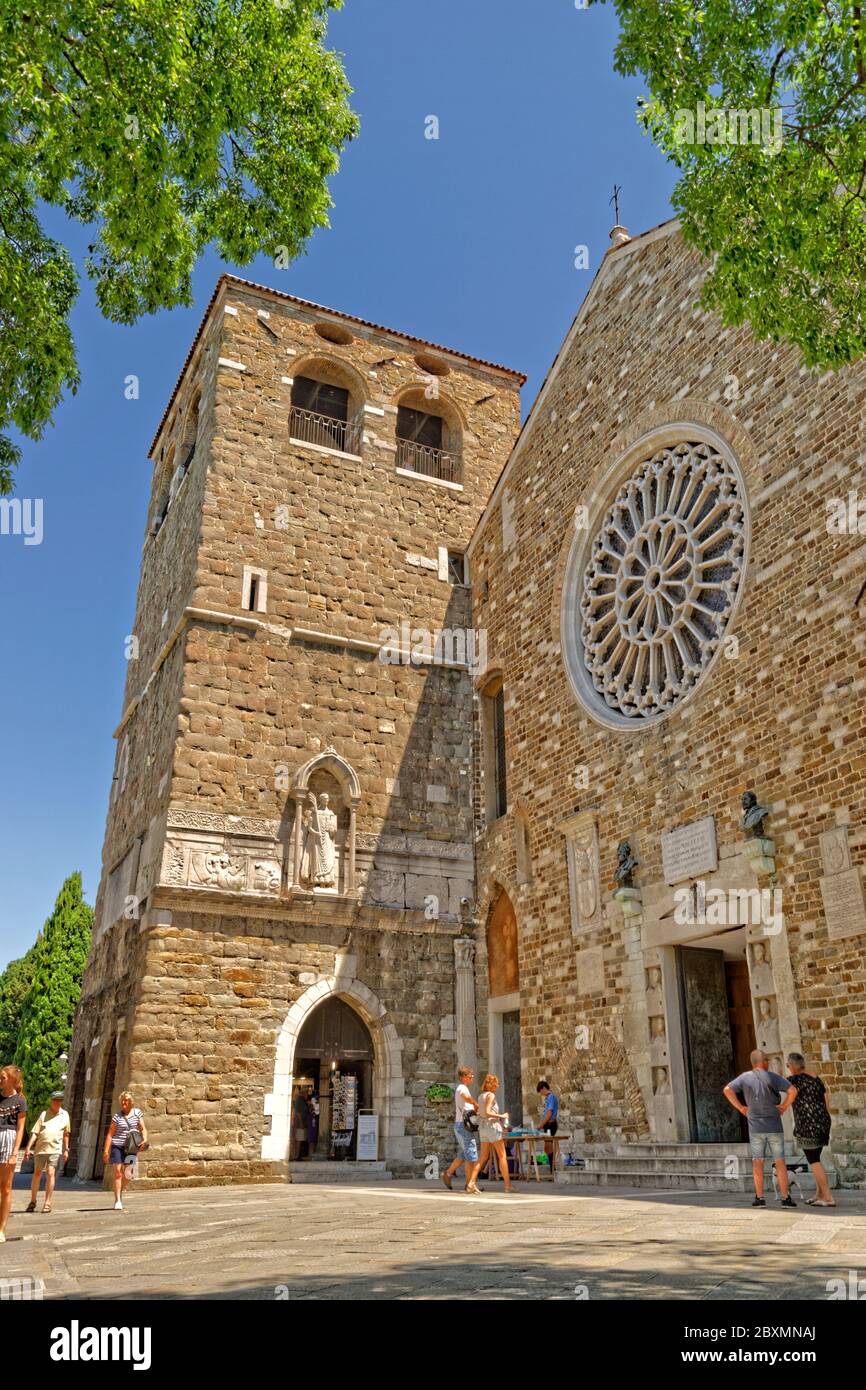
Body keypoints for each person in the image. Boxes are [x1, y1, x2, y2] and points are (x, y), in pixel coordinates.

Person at [723, 1049, 798, 1207]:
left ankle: (760, 1197)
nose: (768, 1063)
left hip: (755, 1127)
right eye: (767, 1060)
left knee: (757, 1162)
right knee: (780, 1162)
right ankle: (785, 1198)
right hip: (774, 1126)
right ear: (763, 1061)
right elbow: (792, 1091)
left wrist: (742, 1108)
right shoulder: (773, 1077)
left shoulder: (744, 1077)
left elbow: (727, 1090)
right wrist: (784, 1106)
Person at [786, 1052, 835, 1206]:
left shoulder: (794, 1080)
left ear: (792, 1066)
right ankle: (819, 1194)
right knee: (816, 1158)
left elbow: (776, 1084)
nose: (788, 1068)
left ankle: (827, 1197)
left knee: (813, 1161)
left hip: (808, 1128)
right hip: (823, 1124)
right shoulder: (815, 1077)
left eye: (788, 1065)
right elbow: (826, 1097)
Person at [23, 1091, 70, 1213]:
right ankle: (33, 1201)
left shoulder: (65, 1115)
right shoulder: (44, 1114)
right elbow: (35, 1132)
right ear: (51, 1101)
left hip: (55, 1149)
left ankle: (47, 1203)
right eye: (55, 1100)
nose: (57, 1102)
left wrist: (66, 1150)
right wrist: (28, 1147)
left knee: (50, 1172)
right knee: (37, 1173)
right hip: (41, 1149)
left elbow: (66, 1134)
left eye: (59, 1100)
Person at [102, 1091, 147, 1211]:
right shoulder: (117, 1117)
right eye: (122, 1100)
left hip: (132, 1147)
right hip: (118, 1146)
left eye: (126, 1100)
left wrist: (145, 1139)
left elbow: (142, 1128)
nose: (123, 1102)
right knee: (118, 1173)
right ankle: (117, 1200)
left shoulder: (137, 1113)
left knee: (128, 1174)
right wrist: (106, 1151)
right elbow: (110, 1135)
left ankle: (119, 1190)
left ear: (131, 1102)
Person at [472, 1074, 515, 1193]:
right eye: (496, 1084)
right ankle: (508, 1186)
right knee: (502, 1156)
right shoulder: (491, 1095)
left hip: (483, 1128)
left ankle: (471, 1182)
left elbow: (480, 1112)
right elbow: (487, 1112)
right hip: (492, 1127)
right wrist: (502, 1116)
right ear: (492, 1084)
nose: (497, 1086)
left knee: (483, 1157)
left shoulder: (481, 1096)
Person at [442, 1066, 480, 1193]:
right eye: (470, 1076)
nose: (472, 1078)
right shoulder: (462, 1088)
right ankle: (470, 1185)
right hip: (463, 1126)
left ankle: (448, 1174)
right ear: (464, 1077)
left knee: (465, 1154)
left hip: (461, 1125)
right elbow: (465, 1097)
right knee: (471, 1154)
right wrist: (475, 1103)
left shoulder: (464, 1088)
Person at [0, 1065, 27, 1243]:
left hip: (8, 1141)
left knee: (6, 1188)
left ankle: (1, 1229)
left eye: (2, 1077)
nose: (0, 1079)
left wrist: (15, 1152)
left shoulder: (19, 1100)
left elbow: (20, 1128)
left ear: (11, 1079)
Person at [537, 1079, 559, 1162]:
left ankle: (552, 1168)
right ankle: (552, 1165)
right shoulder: (547, 1098)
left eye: (540, 1091)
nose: (541, 1094)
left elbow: (549, 1113)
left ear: (543, 1088)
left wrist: (541, 1125)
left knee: (549, 1147)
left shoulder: (551, 1097)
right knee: (546, 1148)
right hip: (547, 1125)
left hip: (551, 1125)